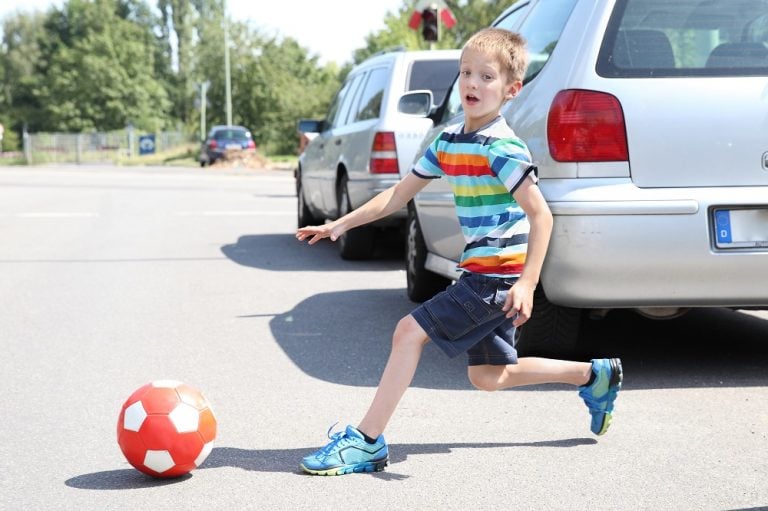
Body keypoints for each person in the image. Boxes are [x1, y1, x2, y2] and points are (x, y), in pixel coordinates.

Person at [295, 27, 623, 476]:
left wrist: (526, 284)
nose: (472, 83)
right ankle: (593, 375)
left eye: (487, 77)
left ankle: (367, 441)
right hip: (478, 275)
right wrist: (340, 223)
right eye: (466, 72)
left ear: (511, 90)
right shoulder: (449, 141)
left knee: (407, 333)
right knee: (488, 377)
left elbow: (541, 216)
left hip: (496, 279)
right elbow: (397, 195)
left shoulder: (502, 147)